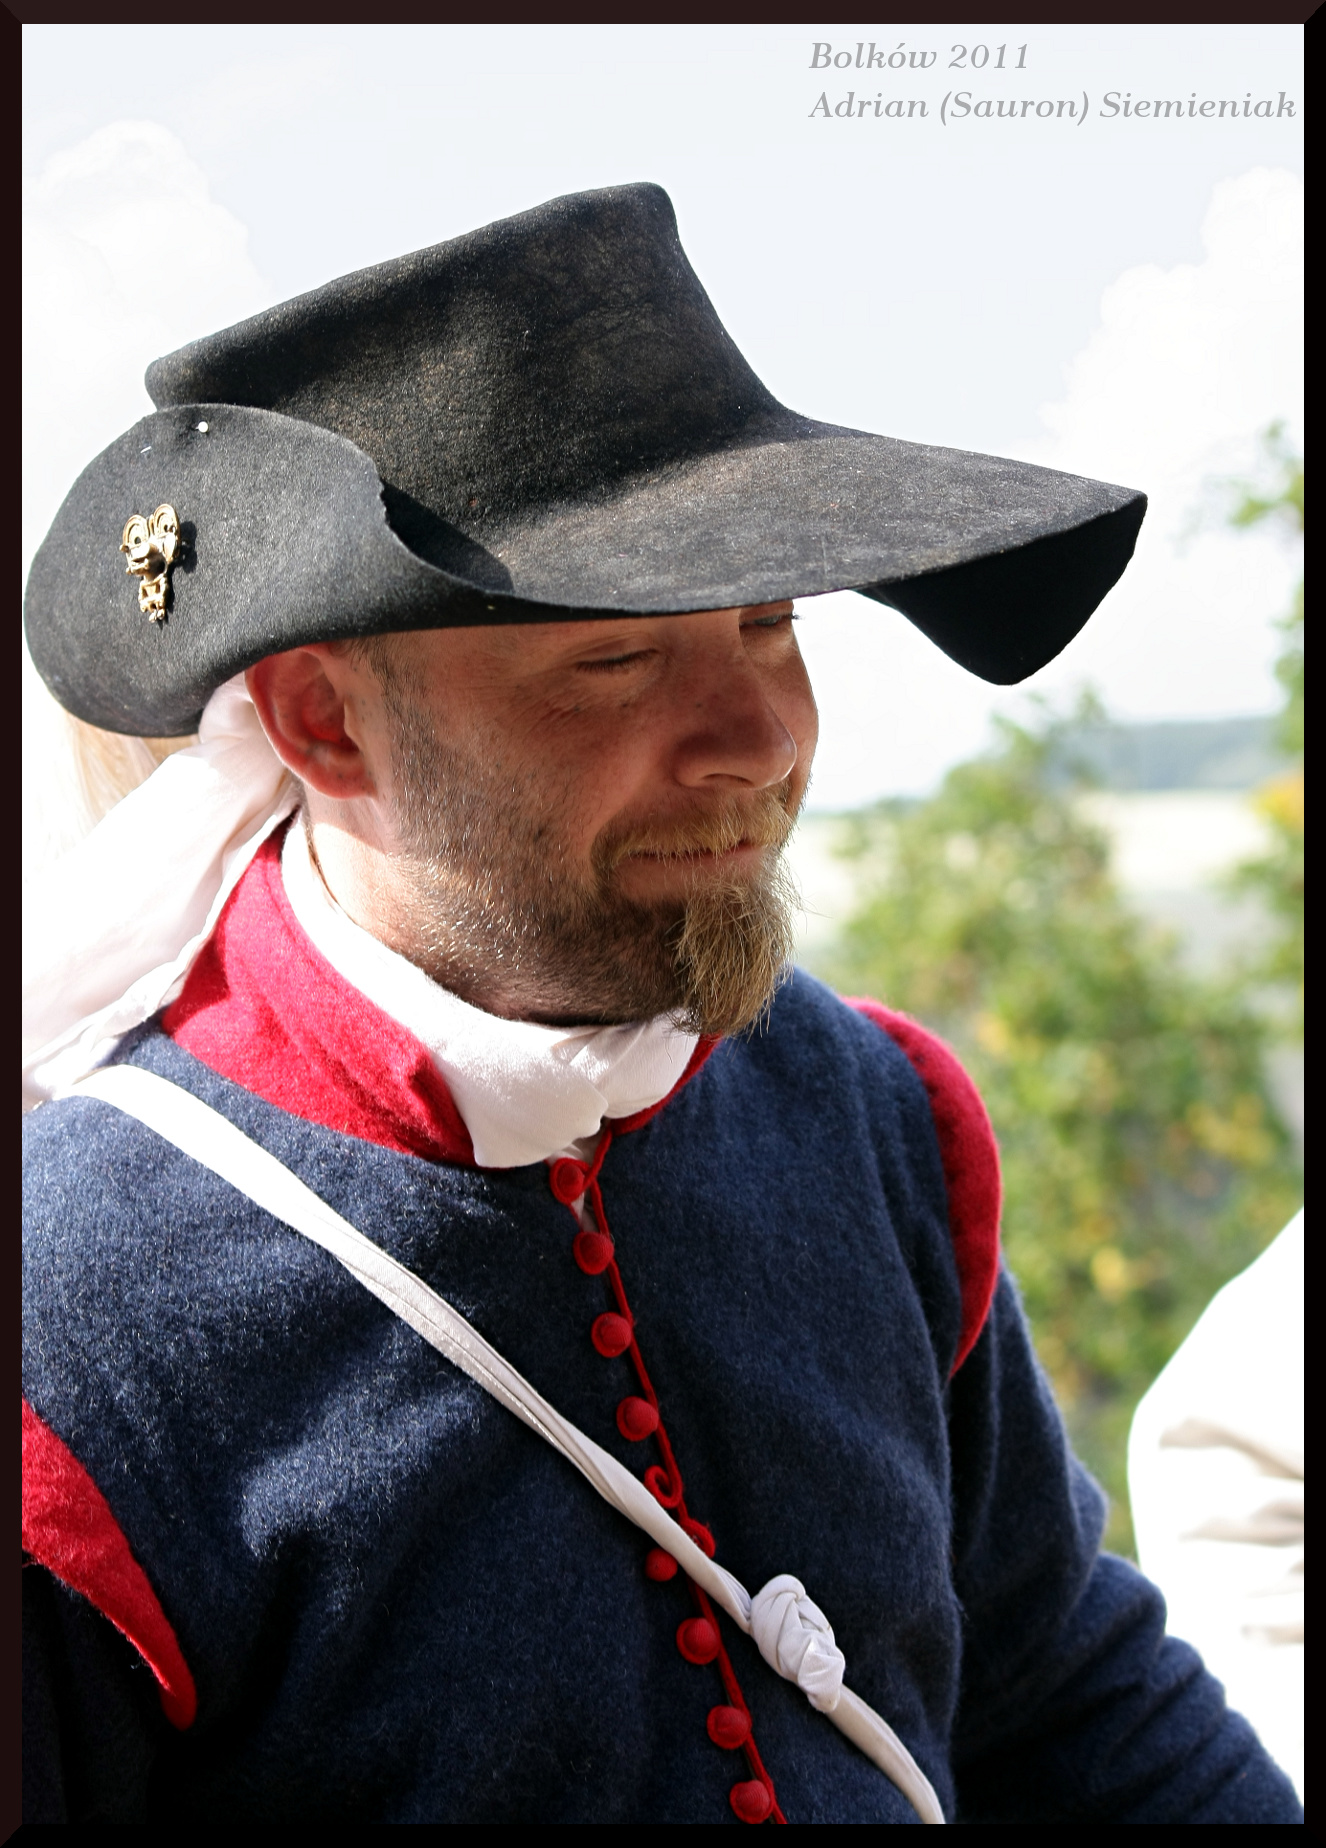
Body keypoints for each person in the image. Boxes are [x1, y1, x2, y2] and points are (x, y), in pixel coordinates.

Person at [21, 183, 1302, 1825]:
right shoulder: (67, 1324)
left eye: (769, 625)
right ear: (327, 725)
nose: (756, 740)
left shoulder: (867, 1109)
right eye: (615, 660)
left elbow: (1061, 1695)